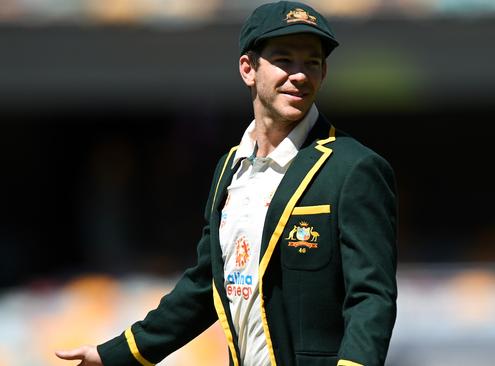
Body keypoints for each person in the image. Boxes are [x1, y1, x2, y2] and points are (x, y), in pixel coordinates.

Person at [55, 1, 397, 365]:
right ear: (248, 69)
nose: (299, 75)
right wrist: (116, 354)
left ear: (324, 72)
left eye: (311, 62)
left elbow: (371, 297)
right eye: (284, 60)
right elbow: (205, 287)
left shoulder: (354, 168)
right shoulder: (229, 169)